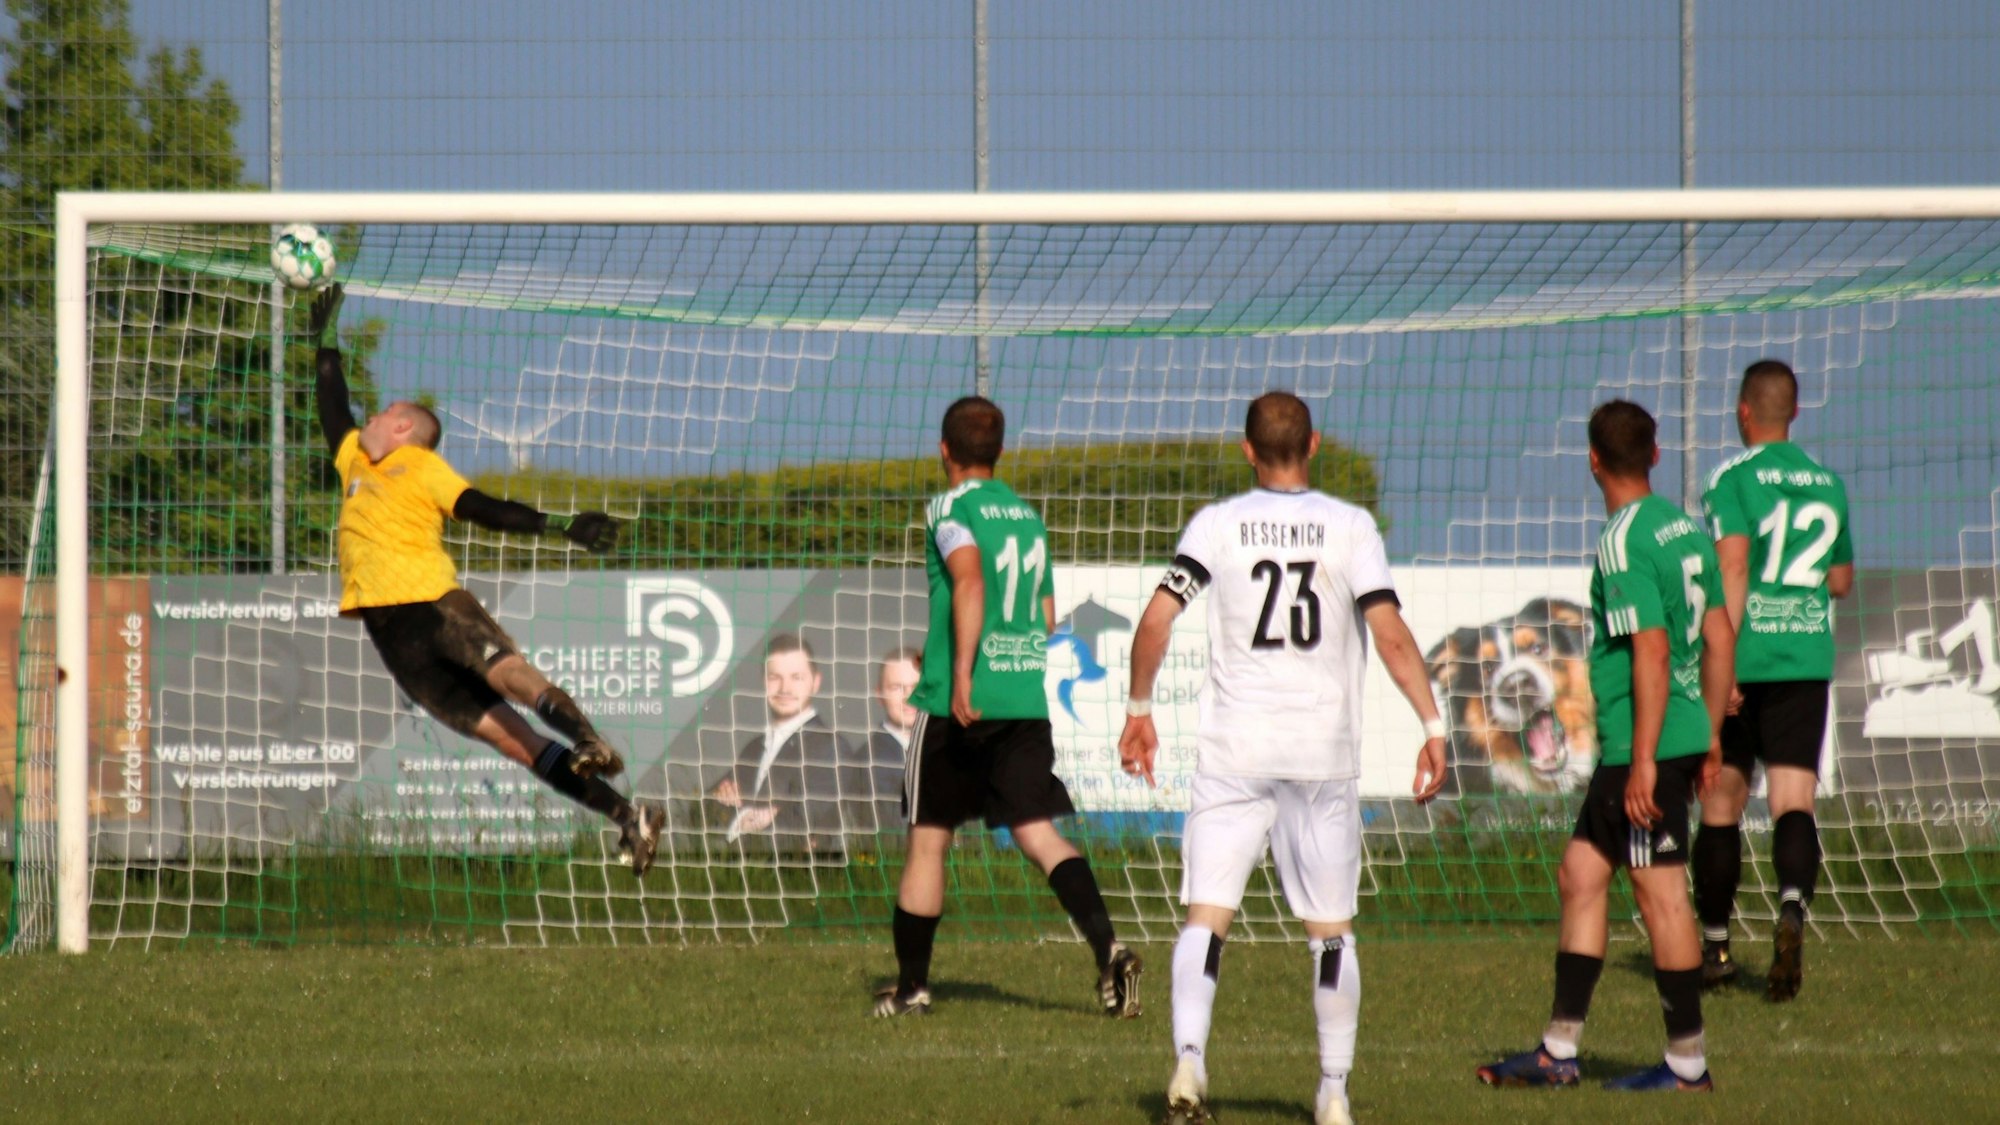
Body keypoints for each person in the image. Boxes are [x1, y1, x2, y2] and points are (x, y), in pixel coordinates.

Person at [1117, 391, 1449, 1125]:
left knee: (1207, 916)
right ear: (1315, 443)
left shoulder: (1217, 524)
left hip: (1235, 751)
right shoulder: (1350, 526)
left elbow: (1156, 619)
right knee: (1330, 931)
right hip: (1320, 753)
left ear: (1247, 450)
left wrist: (1139, 711)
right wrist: (1432, 721)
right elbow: (1389, 632)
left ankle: (1190, 1063)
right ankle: (1333, 1089)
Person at [308, 284, 663, 875]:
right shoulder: (355, 461)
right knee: (513, 742)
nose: (368, 419)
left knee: (509, 673)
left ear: (403, 428)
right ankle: (629, 817)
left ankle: (590, 741)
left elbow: (479, 507)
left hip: (435, 606)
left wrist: (559, 526)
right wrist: (323, 345)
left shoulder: (420, 466)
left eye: (383, 413)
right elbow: (332, 406)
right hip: (392, 635)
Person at [1477, 400, 1733, 1093]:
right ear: (1655, 455)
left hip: (1640, 746)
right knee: (1581, 875)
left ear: (1592, 460)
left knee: (1659, 896)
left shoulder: (1623, 539)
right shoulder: (1687, 530)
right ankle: (1558, 1051)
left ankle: (1687, 1064)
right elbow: (1719, 638)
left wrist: (1649, 758)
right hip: (1664, 736)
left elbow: (1651, 650)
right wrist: (1710, 730)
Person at [875, 395, 1142, 1019]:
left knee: (928, 839)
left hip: (956, 702)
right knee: (1038, 833)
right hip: (1024, 699)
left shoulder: (949, 506)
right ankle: (1108, 949)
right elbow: (1045, 616)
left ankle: (913, 987)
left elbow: (968, 580)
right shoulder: (1025, 516)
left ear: (944, 450)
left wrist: (964, 672)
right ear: (998, 453)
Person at [1695, 359, 1853, 1000]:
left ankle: (1716, 949)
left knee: (1721, 801)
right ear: (1793, 412)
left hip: (1746, 657)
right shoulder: (1827, 483)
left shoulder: (1729, 479)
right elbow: (1840, 581)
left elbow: (1732, 566)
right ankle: (1791, 908)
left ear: (1742, 412)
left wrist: (1722, 662)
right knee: (1793, 800)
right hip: (1804, 661)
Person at [708, 633, 849, 851]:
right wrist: (743, 814)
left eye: (796, 677)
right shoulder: (753, 749)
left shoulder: (831, 748)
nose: (785, 688)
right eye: (775, 677)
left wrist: (739, 817)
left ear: (816, 682)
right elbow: (700, 813)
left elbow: (799, 833)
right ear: (763, 681)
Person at [842, 647, 921, 836]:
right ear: (879, 694)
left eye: (918, 687)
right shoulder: (868, 762)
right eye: (897, 687)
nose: (909, 697)